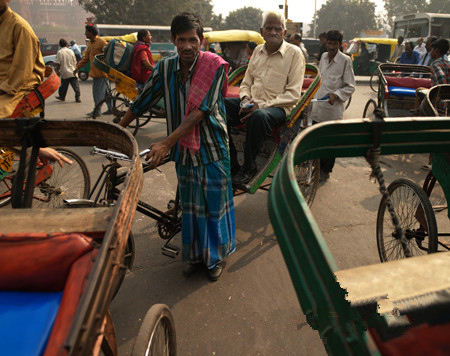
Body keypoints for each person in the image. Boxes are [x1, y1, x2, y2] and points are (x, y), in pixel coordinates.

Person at [118, 12, 235, 281]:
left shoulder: (214, 66)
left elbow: (199, 113)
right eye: (181, 40)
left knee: (213, 206)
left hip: (212, 148)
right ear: (173, 40)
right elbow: (143, 100)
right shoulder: (165, 68)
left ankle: (214, 258)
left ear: (201, 41)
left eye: (192, 40)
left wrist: (165, 143)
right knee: (192, 207)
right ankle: (195, 256)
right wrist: (119, 128)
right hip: (184, 151)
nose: (187, 46)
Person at [225, 11, 304, 184]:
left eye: (278, 28)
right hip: (252, 104)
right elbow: (246, 83)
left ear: (284, 32)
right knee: (219, 107)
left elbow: (293, 95)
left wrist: (260, 105)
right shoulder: (257, 52)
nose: (273, 32)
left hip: (279, 108)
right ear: (262, 31)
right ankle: (231, 163)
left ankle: (249, 167)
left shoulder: (295, 54)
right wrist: (245, 99)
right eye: (269, 28)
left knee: (258, 116)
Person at [0, 0, 71, 166]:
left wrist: (3, 89)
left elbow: (21, 70)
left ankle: (35, 149)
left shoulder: (19, 26)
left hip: (18, 86)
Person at [309, 29, 355, 182]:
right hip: (318, 107)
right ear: (326, 42)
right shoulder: (322, 57)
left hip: (333, 110)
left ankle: (326, 171)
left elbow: (350, 86)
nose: (332, 47)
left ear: (340, 44)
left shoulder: (345, 61)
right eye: (330, 43)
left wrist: (336, 95)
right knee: (316, 140)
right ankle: (317, 167)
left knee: (329, 143)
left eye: (335, 44)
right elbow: (319, 79)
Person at [74, 25, 109, 117]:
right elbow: (86, 58)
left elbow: (108, 56)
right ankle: (111, 109)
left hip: (101, 73)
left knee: (97, 94)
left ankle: (97, 111)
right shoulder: (90, 43)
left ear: (91, 32)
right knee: (106, 93)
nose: (85, 34)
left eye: (86, 32)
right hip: (95, 73)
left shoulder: (101, 42)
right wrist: (77, 67)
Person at [54, 38, 81, 103]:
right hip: (72, 71)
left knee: (63, 86)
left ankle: (62, 97)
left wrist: (58, 71)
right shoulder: (71, 51)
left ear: (60, 45)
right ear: (66, 44)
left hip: (64, 71)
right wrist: (76, 69)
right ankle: (78, 97)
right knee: (75, 86)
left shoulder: (60, 52)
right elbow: (75, 61)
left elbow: (58, 63)